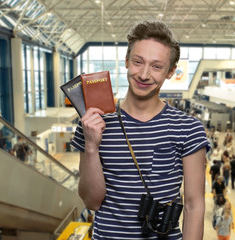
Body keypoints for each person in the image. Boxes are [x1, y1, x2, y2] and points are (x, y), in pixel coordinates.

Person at [71, 21, 210, 239]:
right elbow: (92, 201)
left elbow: (194, 205)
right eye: (138, 62)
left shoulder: (188, 128)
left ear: (171, 72)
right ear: (127, 61)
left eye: (156, 66)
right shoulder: (93, 123)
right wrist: (91, 146)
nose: (144, 75)